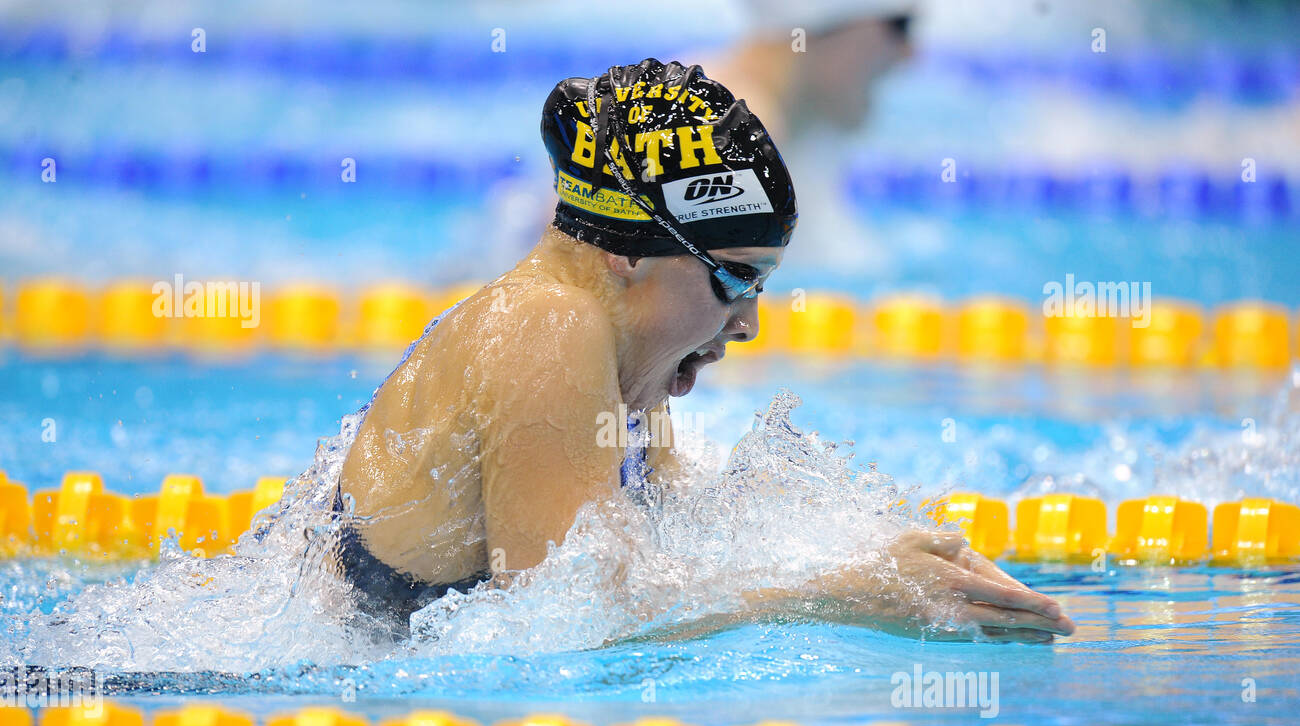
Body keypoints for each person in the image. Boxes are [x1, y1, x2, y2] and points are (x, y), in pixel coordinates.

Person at [334, 57, 1074, 642]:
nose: (748, 322)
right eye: (735, 279)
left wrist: (901, 562)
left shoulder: (618, 357)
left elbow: (669, 545)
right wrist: (846, 594)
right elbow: (562, 621)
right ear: (631, 251)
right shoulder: (548, 326)